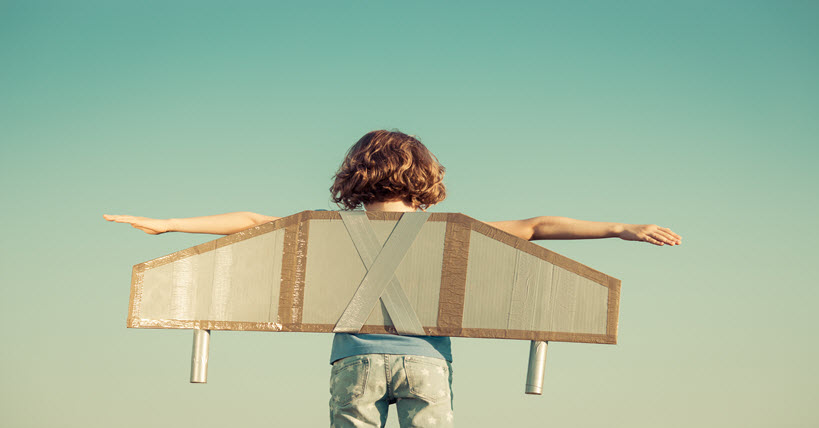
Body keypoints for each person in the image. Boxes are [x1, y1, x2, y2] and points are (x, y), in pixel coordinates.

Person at [104, 130, 682, 428]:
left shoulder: (330, 228)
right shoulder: (451, 231)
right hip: (427, 364)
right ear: (425, 177)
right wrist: (620, 228)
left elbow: (252, 222)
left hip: (354, 362)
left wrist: (168, 224)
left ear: (354, 175)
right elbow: (535, 226)